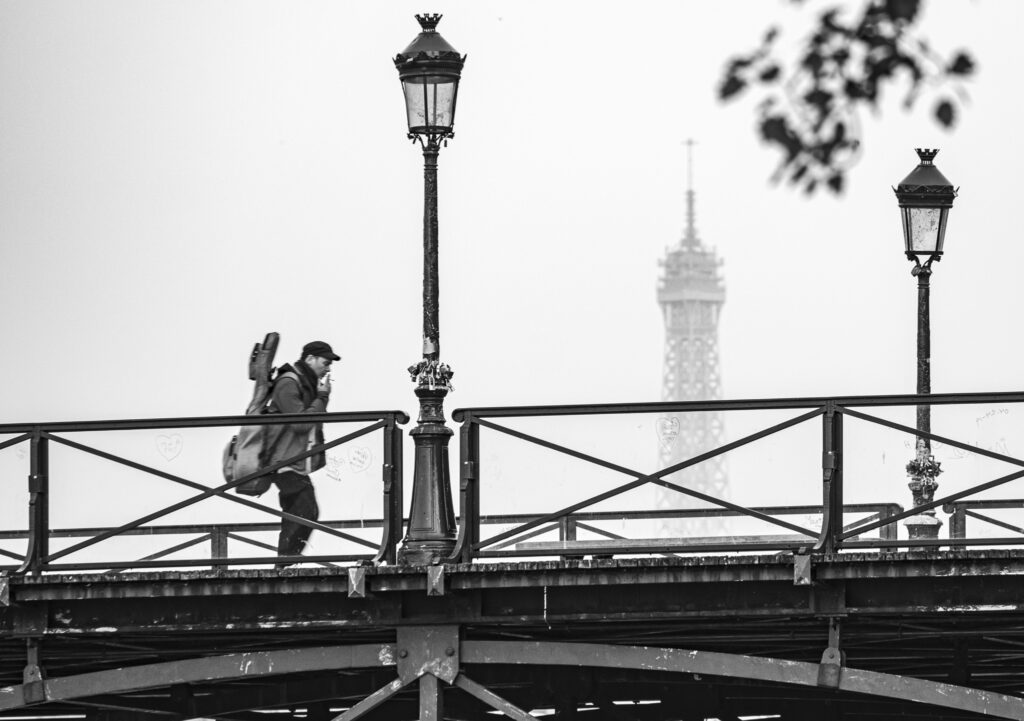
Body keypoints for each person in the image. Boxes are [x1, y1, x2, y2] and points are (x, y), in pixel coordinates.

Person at [264, 340, 340, 566]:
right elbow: (300, 423)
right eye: (325, 363)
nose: (328, 369)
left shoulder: (304, 383)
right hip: (282, 461)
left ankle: (285, 563)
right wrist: (322, 397)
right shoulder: (288, 383)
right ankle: (285, 563)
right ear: (309, 359)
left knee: (298, 511)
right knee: (306, 510)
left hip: (292, 462)